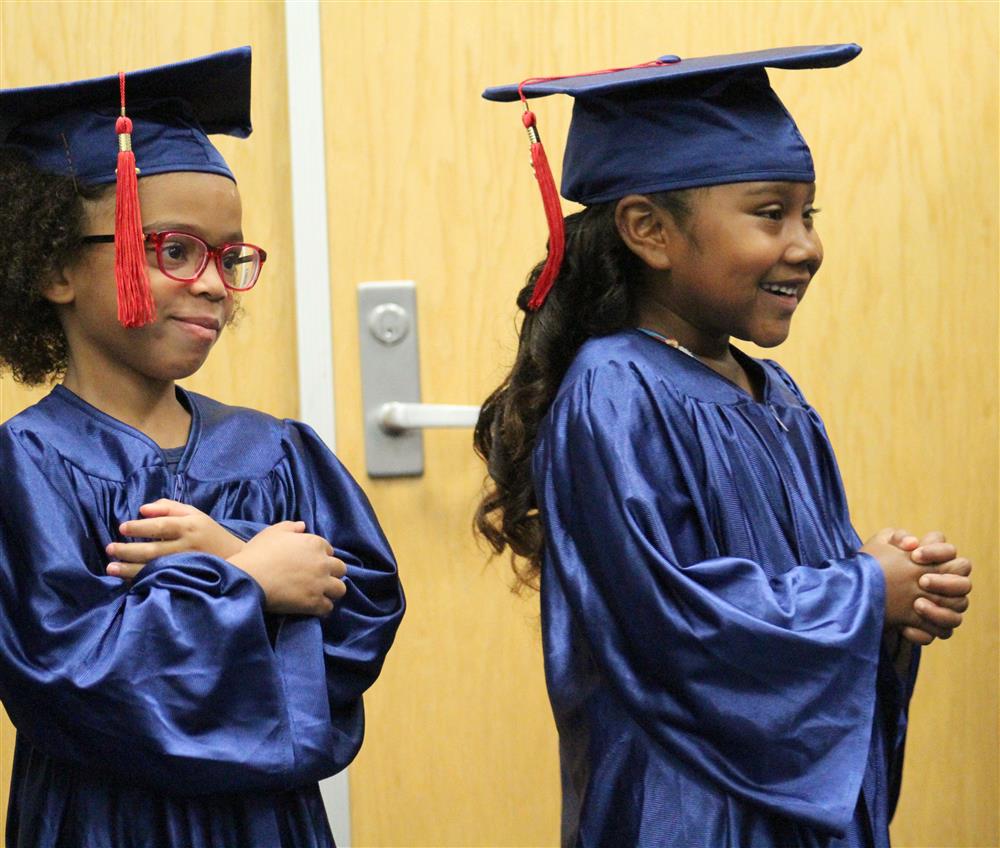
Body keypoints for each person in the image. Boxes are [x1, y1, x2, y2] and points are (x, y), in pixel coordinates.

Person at [475, 45, 972, 847]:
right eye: (770, 213)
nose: (805, 244)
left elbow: (794, 588)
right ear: (648, 230)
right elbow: (675, 624)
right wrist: (862, 594)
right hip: (688, 805)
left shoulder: (772, 393)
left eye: (810, 215)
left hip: (775, 802)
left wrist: (892, 589)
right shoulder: (615, 392)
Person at [0, 47, 404, 847]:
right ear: (55, 269)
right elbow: (77, 681)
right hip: (104, 823)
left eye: (230, 256)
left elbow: (358, 623)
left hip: (268, 822)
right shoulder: (27, 467)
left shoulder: (277, 452)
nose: (216, 284)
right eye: (175, 250)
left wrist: (226, 547)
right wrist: (246, 582)